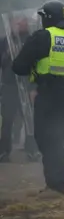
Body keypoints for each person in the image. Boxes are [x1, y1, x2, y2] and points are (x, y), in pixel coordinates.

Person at [12, 0, 64, 194]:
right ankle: (56, 181)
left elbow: (18, 66)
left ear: (47, 18)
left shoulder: (42, 37)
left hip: (48, 92)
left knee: (47, 137)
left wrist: (37, 74)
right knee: (56, 135)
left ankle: (57, 183)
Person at [0, 18, 39, 162]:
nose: (18, 24)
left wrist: (34, 88)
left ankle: (32, 149)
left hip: (27, 85)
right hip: (9, 85)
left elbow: (36, 65)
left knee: (29, 119)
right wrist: (7, 56)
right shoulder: (4, 42)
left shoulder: (31, 41)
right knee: (7, 119)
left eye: (21, 21)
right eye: (14, 22)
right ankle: (4, 151)